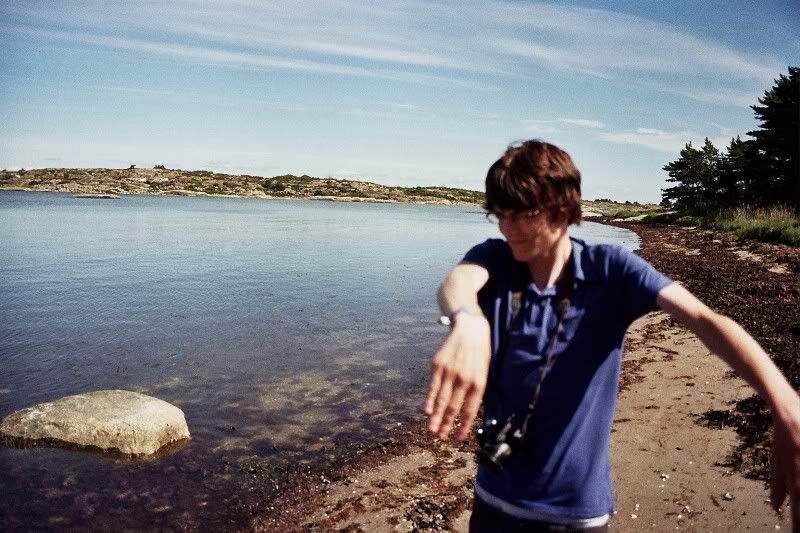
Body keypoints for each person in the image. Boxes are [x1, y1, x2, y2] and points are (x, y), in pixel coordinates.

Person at [424, 140, 800, 532]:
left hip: (575, 515)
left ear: (562, 209)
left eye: (521, 215)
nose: (506, 228)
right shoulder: (496, 259)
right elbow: (458, 283)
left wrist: (785, 402)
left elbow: (707, 321)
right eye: (499, 215)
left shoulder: (610, 270)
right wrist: (467, 319)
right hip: (493, 503)